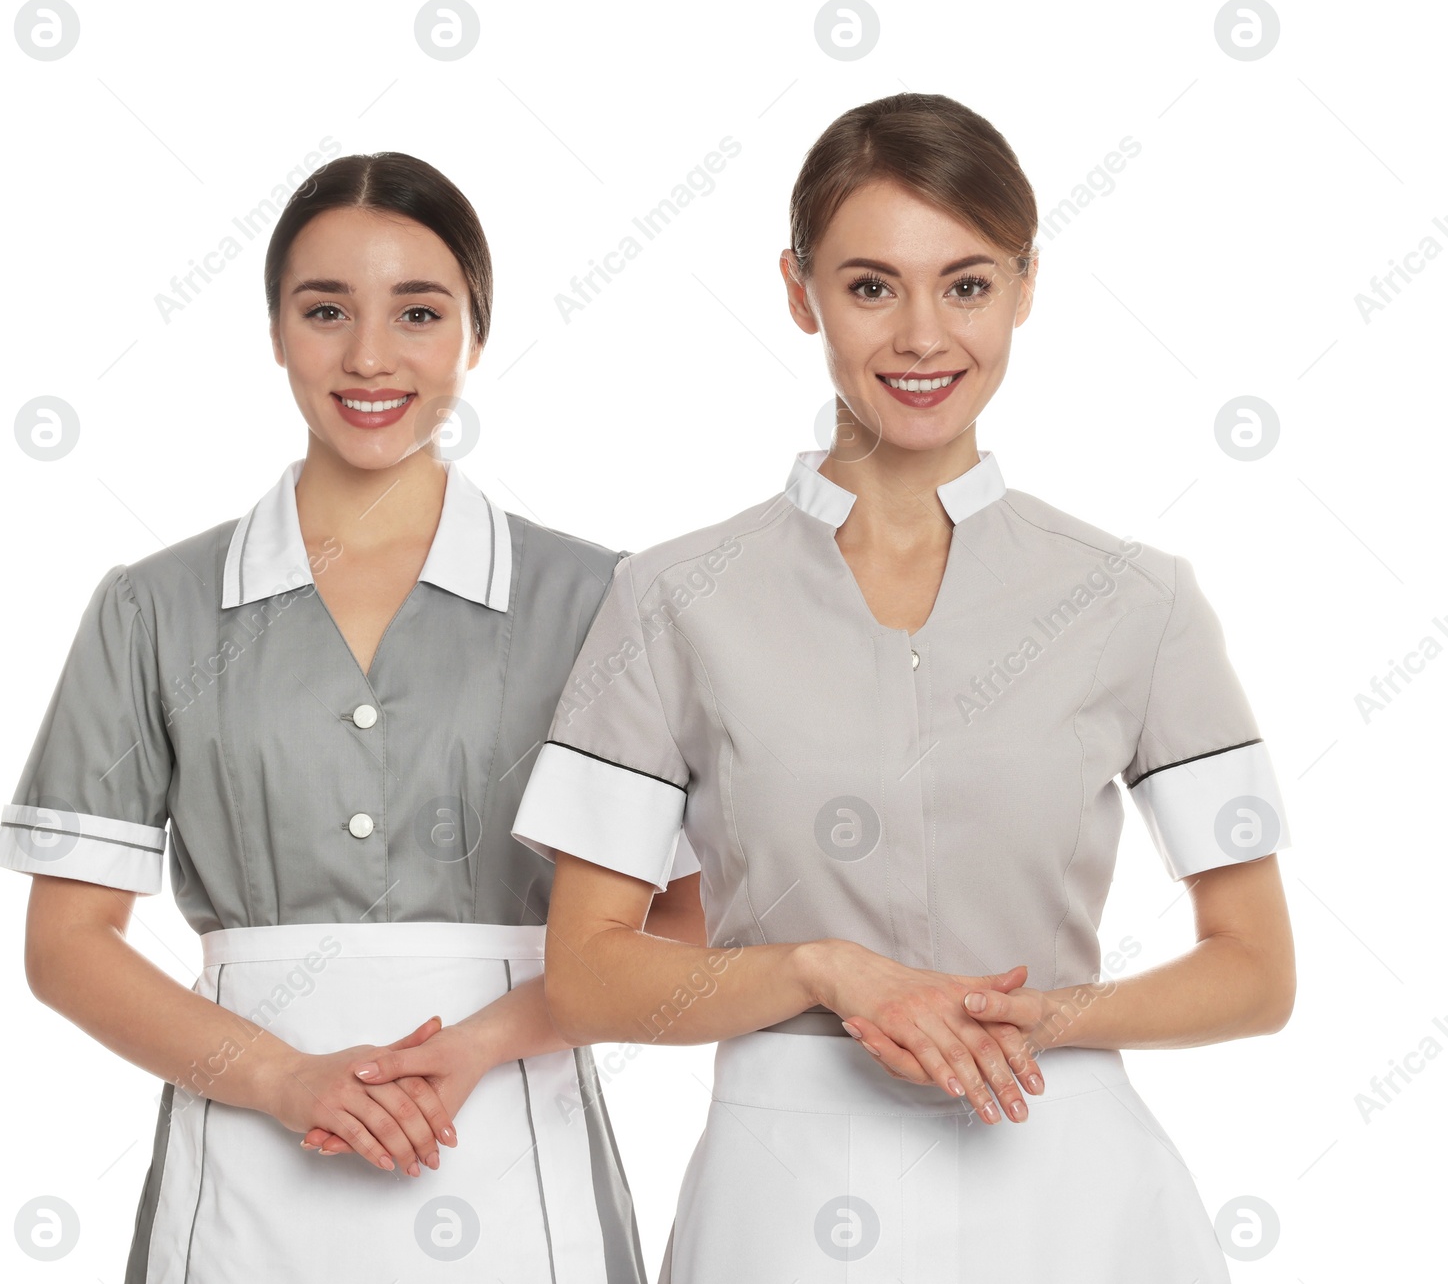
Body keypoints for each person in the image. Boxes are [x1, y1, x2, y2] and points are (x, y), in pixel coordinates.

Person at [508, 93, 1296, 1281]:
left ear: (1026, 287)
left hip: (1069, 1182)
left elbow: (1256, 968)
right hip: (785, 1191)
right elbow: (586, 973)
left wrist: (1046, 1018)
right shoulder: (672, 597)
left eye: (967, 284)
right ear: (797, 289)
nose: (923, 336)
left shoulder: (1139, 599)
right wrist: (821, 969)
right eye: (872, 286)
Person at [0, 150, 701, 1283]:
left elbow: (693, 916)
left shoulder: (596, 601)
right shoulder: (152, 607)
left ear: (474, 331)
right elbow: (67, 947)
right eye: (326, 311)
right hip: (240, 1176)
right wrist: (282, 1077)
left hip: (520, 1166)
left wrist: (477, 1046)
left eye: (417, 312)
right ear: (274, 329)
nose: (370, 357)